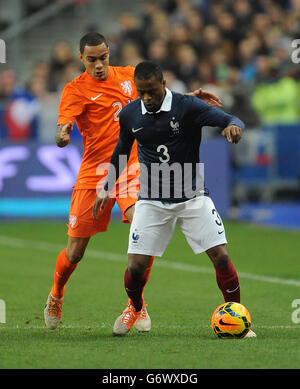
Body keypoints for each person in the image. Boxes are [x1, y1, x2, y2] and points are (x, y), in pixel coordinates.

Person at [44, 32, 223, 331]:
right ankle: (56, 294)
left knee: (143, 223)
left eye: (103, 58)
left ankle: (136, 306)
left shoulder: (129, 77)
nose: (98, 65)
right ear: (81, 59)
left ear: (108, 54)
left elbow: (158, 97)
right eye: (92, 60)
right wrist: (62, 135)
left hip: (130, 166)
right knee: (75, 251)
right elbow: (64, 125)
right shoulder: (75, 89)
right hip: (94, 171)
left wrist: (189, 100)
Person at [93, 61, 256, 338]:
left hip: (192, 196)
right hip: (152, 200)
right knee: (135, 266)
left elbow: (230, 118)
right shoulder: (131, 114)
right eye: (142, 92)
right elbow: (121, 149)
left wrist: (233, 127)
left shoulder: (186, 107)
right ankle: (135, 306)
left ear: (163, 84)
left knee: (220, 255)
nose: (147, 98)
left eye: (152, 92)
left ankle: (236, 315)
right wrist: (107, 185)